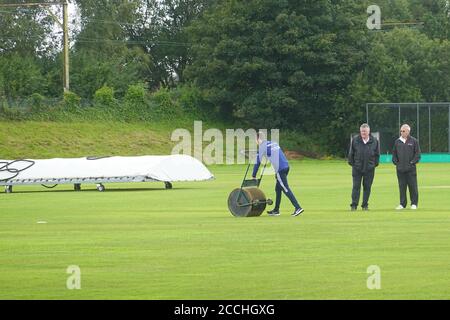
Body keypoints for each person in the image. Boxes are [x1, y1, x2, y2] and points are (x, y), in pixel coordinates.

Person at [252, 132, 304, 217]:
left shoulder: (262, 147)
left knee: (285, 188)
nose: (255, 142)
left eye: (255, 140)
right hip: (286, 166)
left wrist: (253, 175)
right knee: (278, 188)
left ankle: (298, 207)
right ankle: (276, 210)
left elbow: (257, 162)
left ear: (258, 139)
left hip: (280, 169)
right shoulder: (273, 143)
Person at [348, 123, 380, 211]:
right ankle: (354, 205)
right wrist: (353, 165)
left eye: (365, 131)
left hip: (369, 169)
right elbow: (351, 154)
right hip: (357, 169)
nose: (363, 133)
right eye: (362, 131)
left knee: (367, 187)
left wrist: (374, 165)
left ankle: (365, 205)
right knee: (356, 187)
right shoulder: (355, 140)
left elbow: (377, 154)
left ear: (369, 131)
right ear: (360, 131)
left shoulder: (374, 141)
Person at [392, 124, 421, 210]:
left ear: (408, 131)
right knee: (402, 187)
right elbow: (394, 154)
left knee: (413, 187)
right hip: (400, 169)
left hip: (411, 169)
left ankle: (414, 203)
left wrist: (412, 163)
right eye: (401, 131)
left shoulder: (414, 141)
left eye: (403, 131)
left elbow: (417, 154)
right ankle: (402, 204)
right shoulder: (397, 141)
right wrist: (396, 163)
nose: (401, 132)